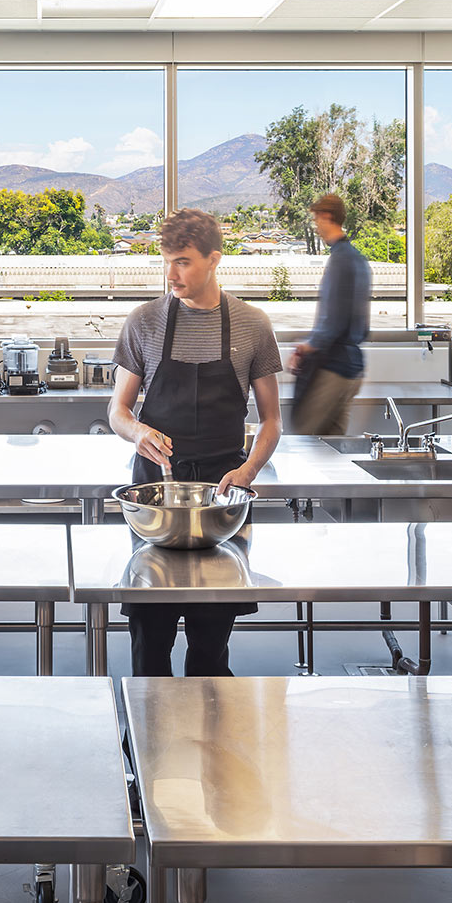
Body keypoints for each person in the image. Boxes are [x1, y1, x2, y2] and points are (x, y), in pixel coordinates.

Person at [109, 207, 282, 676]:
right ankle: (145, 743)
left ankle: (212, 745)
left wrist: (245, 475)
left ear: (214, 259)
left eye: (182, 261)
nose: (171, 274)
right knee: (149, 646)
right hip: (156, 497)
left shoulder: (252, 325)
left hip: (221, 497)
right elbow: (118, 412)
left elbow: (271, 423)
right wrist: (139, 431)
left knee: (210, 648)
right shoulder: (144, 321)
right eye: (166, 260)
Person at [288, 192, 371, 436]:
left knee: (303, 439)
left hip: (334, 369)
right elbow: (360, 324)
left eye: (316, 221)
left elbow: (331, 324)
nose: (316, 228)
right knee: (333, 449)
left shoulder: (339, 261)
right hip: (353, 370)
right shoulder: (358, 260)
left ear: (326, 216)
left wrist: (305, 347)